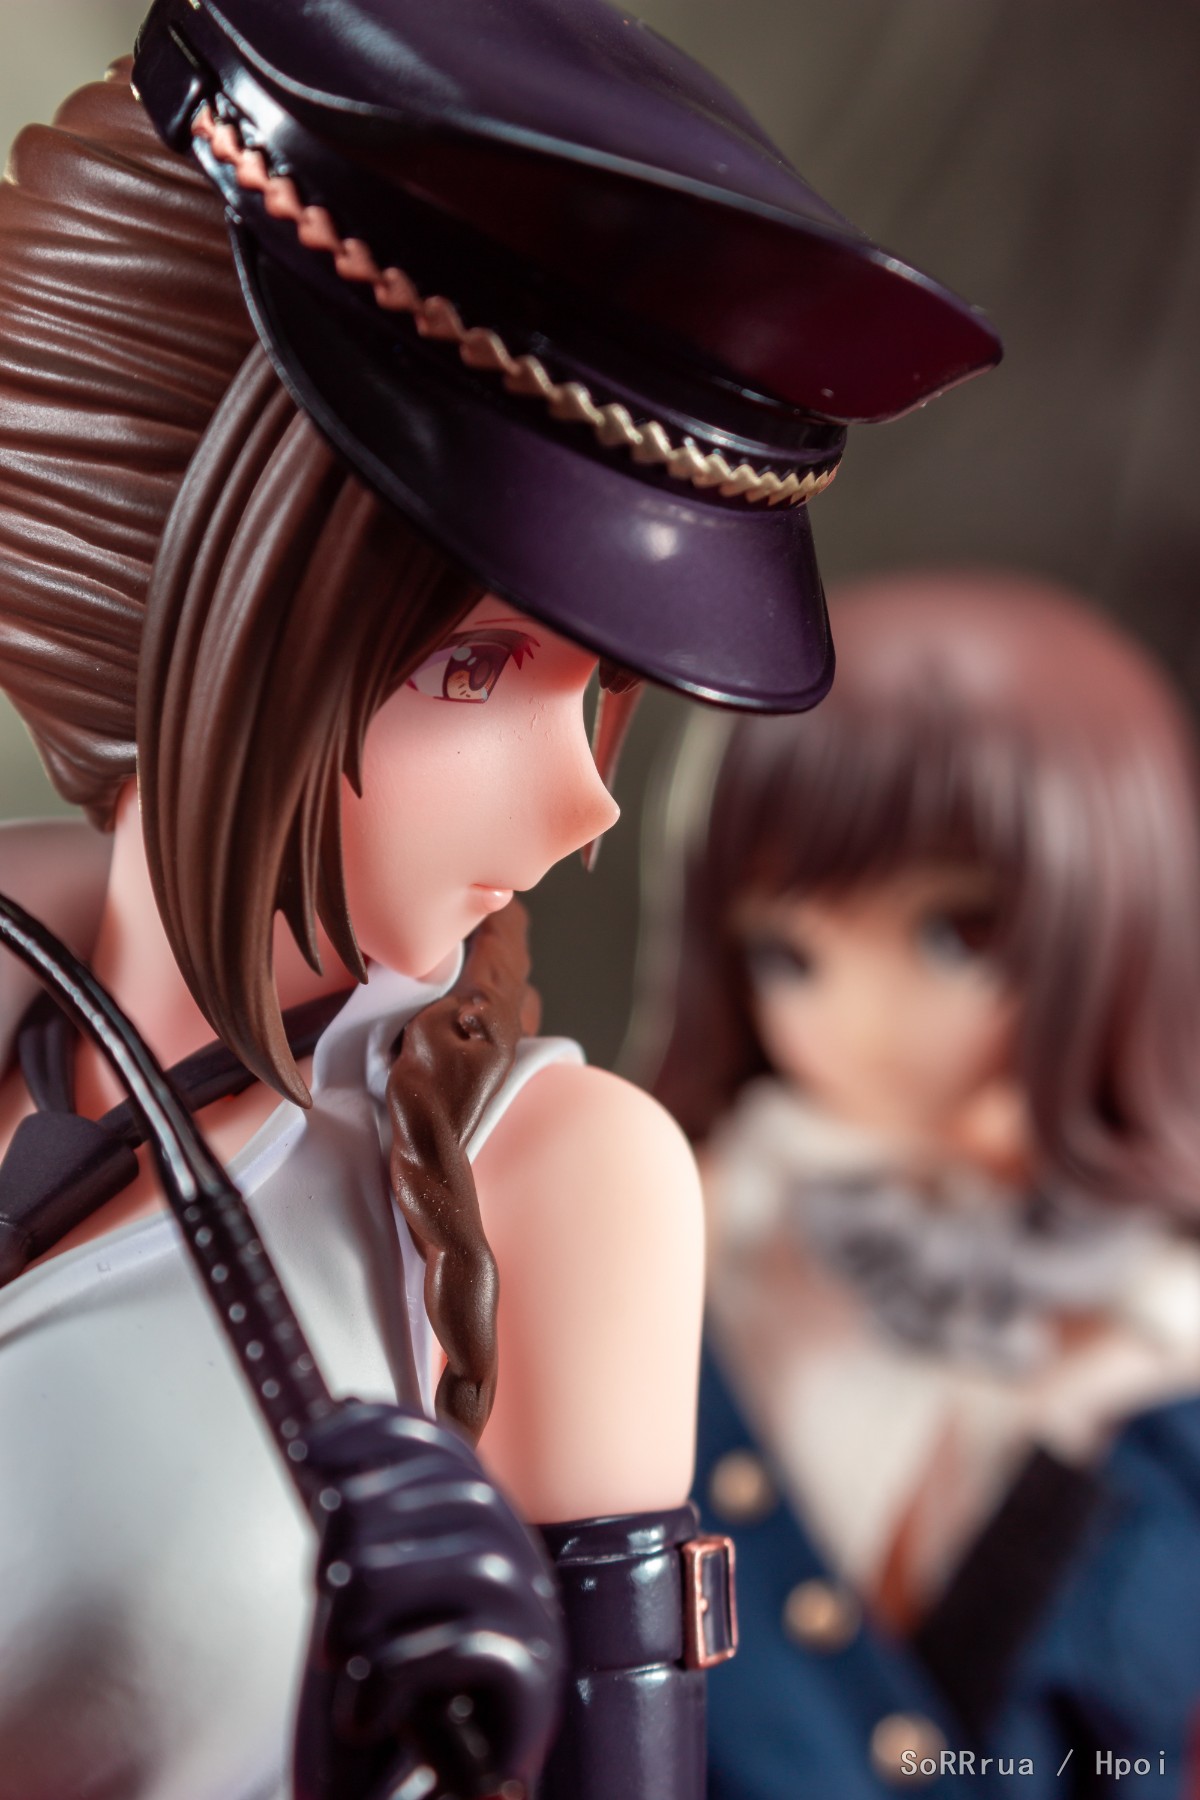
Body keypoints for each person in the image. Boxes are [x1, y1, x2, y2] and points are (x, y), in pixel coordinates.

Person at [0, 5, 999, 1796]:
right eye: (470, 668)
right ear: (204, 606)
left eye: (595, 685)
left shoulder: (559, 1185)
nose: (589, 796)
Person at [639, 571, 1200, 1798]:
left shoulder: (1163, 1347)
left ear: (1117, 920)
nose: (867, 1022)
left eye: (957, 936)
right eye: (789, 955)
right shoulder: (684, 1249)